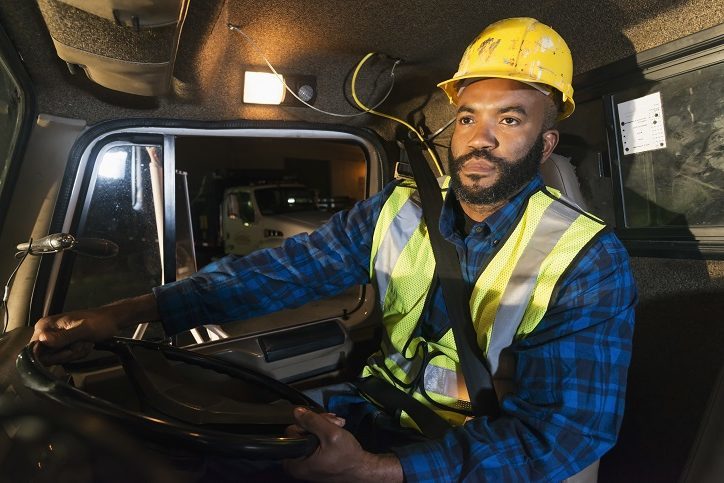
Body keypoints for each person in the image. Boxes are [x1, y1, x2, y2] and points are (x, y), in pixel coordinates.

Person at [32, 17, 636, 482]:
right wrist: (122, 313)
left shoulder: (587, 259)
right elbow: (278, 272)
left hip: (471, 458)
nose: (480, 138)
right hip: (373, 415)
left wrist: (378, 472)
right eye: (469, 117)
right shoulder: (400, 208)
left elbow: (564, 433)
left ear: (546, 139)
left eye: (510, 120)